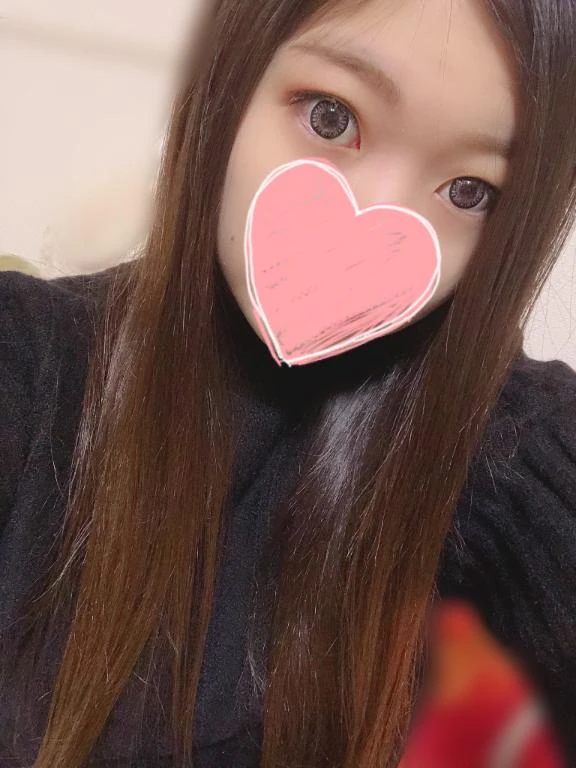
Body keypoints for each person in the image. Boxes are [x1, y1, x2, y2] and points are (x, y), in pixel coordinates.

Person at [1, 0, 575, 767]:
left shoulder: (504, 446)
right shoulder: (31, 363)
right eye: (331, 118)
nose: (374, 221)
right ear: (230, 81)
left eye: (471, 191)